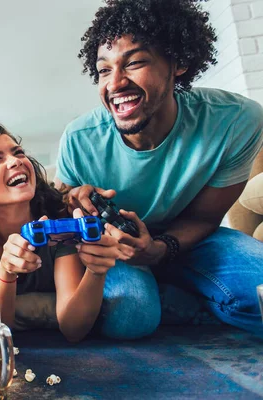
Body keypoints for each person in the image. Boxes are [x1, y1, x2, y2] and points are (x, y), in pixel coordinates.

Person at [55, 0, 263, 335]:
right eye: (104, 70)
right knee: (130, 319)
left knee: (259, 296)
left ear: (177, 62)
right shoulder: (79, 139)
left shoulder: (236, 119)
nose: (115, 83)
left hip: (190, 241)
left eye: (134, 63)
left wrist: (160, 250)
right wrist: (76, 203)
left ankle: (175, 292)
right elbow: (62, 223)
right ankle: (181, 299)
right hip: (118, 249)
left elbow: (204, 218)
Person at [0, 122, 136, 342]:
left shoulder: (58, 223)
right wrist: (6, 270)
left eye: (18, 152)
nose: (16, 161)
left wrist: (96, 272)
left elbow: (73, 329)